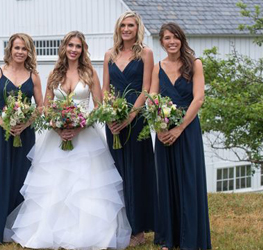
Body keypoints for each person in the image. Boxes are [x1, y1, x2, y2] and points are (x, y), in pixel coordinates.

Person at [3, 31, 131, 250]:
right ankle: (48, 233)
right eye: (70, 45)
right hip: (57, 137)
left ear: (83, 49)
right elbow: (45, 107)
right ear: (64, 48)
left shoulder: (90, 72)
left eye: (78, 46)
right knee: (55, 187)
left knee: (85, 187)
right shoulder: (54, 73)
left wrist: (80, 126)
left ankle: (86, 235)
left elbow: (99, 107)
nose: (73, 49)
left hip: (86, 137)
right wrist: (58, 126)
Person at [150, 23, 212, 250]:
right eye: (167, 38)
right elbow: (152, 99)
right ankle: (169, 238)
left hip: (187, 132)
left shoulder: (195, 64)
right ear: (162, 42)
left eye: (175, 37)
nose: (172, 41)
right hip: (164, 131)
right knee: (165, 182)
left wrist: (179, 129)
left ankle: (190, 238)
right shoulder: (158, 68)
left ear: (182, 40)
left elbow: (198, 99)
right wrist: (159, 128)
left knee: (188, 182)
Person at [0, 33, 43, 246]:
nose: (20, 52)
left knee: (23, 178)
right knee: (2, 177)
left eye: (24, 49)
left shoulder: (33, 76)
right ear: (10, 49)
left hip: (25, 134)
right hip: (2, 133)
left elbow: (41, 107)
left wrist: (24, 124)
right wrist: (4, 122)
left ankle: (20, 230)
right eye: (17, 48)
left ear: (29, 52)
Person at [102, 11, 157, 246]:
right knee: (116, 172)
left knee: (137, 172)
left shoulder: (145, 53)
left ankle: (138, 229)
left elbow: (146, 89)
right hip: (113, 120)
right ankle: (119, 224)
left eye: (131, 25)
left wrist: (130, 116)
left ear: (137, 28)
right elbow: (105, 89)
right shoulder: (109, 55)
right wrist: (109, 115)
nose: (126, 29)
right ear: (118, 28)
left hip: (137, 120)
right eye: (123, 25)